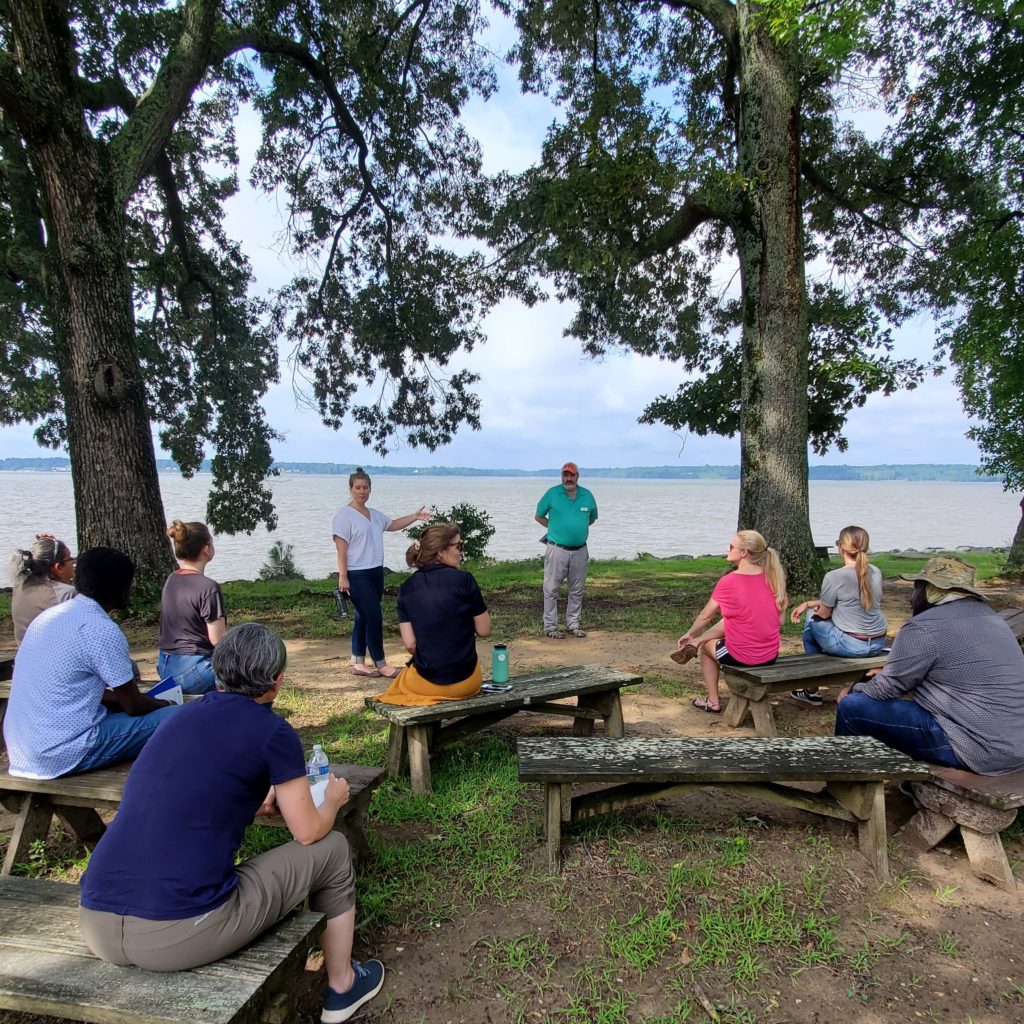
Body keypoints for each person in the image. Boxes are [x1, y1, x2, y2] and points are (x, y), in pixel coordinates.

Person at [78, 623, 385, 1023]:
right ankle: (343, 986)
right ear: (277, 682)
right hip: (177, 932)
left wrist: (246, 799)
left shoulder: (177, 717)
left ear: (218, 670)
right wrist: (332, 799)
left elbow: (187, 787)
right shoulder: (273, 732)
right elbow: (308, 831)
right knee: (334, 849)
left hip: (95, 921)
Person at [835, 556, 1024, 774]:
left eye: (917, 589)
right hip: (1016, 746)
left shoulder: (923, 626)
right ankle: (907, 784)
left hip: (978, 750)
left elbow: (886, 689)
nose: (911, 598)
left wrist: (852, 690)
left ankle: (846, 792)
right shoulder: (993, 619)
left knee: (852, 707)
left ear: (933, 591)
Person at [3, 547, 180, 779]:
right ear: (122, 589)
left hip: (22, 750)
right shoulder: (100, 628)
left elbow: (70, 688)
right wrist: (165, 704)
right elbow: (133, 705)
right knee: (182, 718)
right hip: (62, 753)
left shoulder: (49, 618)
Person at [376, 524, 491, 706]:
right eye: (458, 546)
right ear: (440, 553)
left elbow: (411, 645)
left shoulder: (406, 589)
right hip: (467, 682)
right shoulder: (465, 580)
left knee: (401, 683)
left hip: (427, 683)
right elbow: (484, 630)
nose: (461, 552)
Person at [332, 467, 431, 678]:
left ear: (370, 490)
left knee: (363, 617)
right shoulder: (343, 516)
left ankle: (358, 661)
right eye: (357, 488)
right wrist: (343, 576)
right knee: (374, 617)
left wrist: (414, 516)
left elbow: (393, 524)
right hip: (357, 574)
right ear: (350, 489)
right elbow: (341, 549)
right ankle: (381, 664)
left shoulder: (375, 515)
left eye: (365, 488)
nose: (362, 491)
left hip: (376, 572)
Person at [676, 530, 788, 714]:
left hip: (742, 656)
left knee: (706, 650)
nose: (728, 549)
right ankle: (698, 642)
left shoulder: (729, 581)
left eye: (731, 546)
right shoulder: (774, 578)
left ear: (744, 553)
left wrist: (691, 633)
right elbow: (778, 620)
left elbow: (706, 616)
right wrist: (697, 637)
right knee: (716, 634)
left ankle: (713, 701)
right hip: (770, 655)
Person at [788, 525, 888, 706]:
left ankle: (812, 688)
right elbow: (849, 600)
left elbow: (824, 614)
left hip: (851, 645)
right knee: (813, 612)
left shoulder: (834, 576)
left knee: (811, 619)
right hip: (877, 641)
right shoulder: (876, 572)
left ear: (841, 548)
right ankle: (816, 685)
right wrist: (810, 602)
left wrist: (811, 608)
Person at [157, 519, 226, 695]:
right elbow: (218, 640)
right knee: (250, 667)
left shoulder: (172, 579)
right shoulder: (208, 587)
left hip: (165, 668)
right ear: (206, 548)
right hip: (196, 672)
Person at [535, 462, 598, 639]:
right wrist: (554, 528)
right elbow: (538, 516)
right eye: (565, 475)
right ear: (561, 476)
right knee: (551, 589)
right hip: (557, 549)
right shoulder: (552, 493)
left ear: (578, 476)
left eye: (572, 475)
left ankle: (573, 624)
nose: (568, 479)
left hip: (580, 550)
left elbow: (592, 518)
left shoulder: (587, 496)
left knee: (577, 589)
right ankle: (550, 627)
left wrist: (576, 529)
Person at [9, 533, 77, 643]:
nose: (74, 562)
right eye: (70, 558)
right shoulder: (68, 595)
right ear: (58, 567)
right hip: (57, 657)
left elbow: (36, 557)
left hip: (24, 657)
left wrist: (45, 546)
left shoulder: (19, 585)